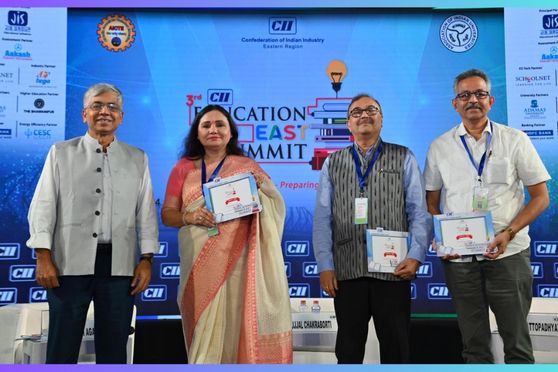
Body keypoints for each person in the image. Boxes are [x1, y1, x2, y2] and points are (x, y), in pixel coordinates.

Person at [424, 69, 550, 363]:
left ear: (490, 100)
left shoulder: (515, 140)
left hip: (509, 255)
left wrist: (509, 232)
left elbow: (541, 197)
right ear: (455, 104)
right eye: (464, 95)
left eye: (479, 94)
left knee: (517, 344)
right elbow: (431, 202)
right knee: (474, 345)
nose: (473, 100)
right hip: (461, 263)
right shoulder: (439, 147)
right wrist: (444, 239)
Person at [26, 83, 159, 363]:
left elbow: (145, 212)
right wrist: (43, 255)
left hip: (120, 267)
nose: (105, 112)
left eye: (113, 107)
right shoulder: (61, 152)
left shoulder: (138, 158)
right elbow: (43, 206)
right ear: (84, 114)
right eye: (97, 105)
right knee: (62, 348)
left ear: (121, 117)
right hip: (68, 265)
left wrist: (146, 259)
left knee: (114, 350)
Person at [161, 104, 292, 364]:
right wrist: (190, 216)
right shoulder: (183, 168)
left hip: (240, 264)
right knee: (204, 332)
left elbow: (274, 205)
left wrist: (259, 194)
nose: (213, 130)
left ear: (231, 132)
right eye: (206, 125)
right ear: (196, 134)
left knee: (237, 322)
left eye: (220, 124)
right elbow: (167, 214)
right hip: (199, 266)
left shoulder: (247, 167)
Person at [313, 93, 431, 364]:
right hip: (346, 271)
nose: (364, 115)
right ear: (348, 123)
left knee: (396, 348)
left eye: (371, 110)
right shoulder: (333, 162)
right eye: (356, 112)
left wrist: (415, 255)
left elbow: (419, 212)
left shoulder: (403, 156)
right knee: (348, 350)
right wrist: (325, 265)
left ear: (381, 118)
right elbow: (322, 218)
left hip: (393, 269)